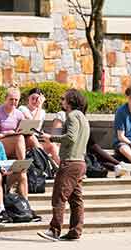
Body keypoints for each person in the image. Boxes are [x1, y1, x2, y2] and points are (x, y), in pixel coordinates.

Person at [38, 89, 90, 241]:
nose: (61, 101)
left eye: (63, 99)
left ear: (70, 101)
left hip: (70, 163)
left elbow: (70, 138)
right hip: (80, 162)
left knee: (59, 197)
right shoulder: (83, 118)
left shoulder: (73, 116)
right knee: (76, 200)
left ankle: (54, 230)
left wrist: (51, 138)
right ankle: (75, 231)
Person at [19, 88, 60, 165]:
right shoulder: (22, 109)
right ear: (28, 98)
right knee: (35, 140)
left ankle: (60, 168)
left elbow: (39, 129)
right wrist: (39, 107)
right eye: (33, 98)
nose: (34, 101)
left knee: (53, 145)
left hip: (38, 137)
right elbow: (32, 126)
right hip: (26, 137)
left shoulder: (42, 112)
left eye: (37, 99)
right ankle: (47, 166)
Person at [0, 87, 26, 161]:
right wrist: (6, 134)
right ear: (5, 99)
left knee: (32, 139)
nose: (13, 101)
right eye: (11, 99)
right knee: (19, 138)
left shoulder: (19, 114)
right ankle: (23, 168)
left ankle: (42, 166)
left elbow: (21, 131)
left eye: (16, 100)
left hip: (15, 143)